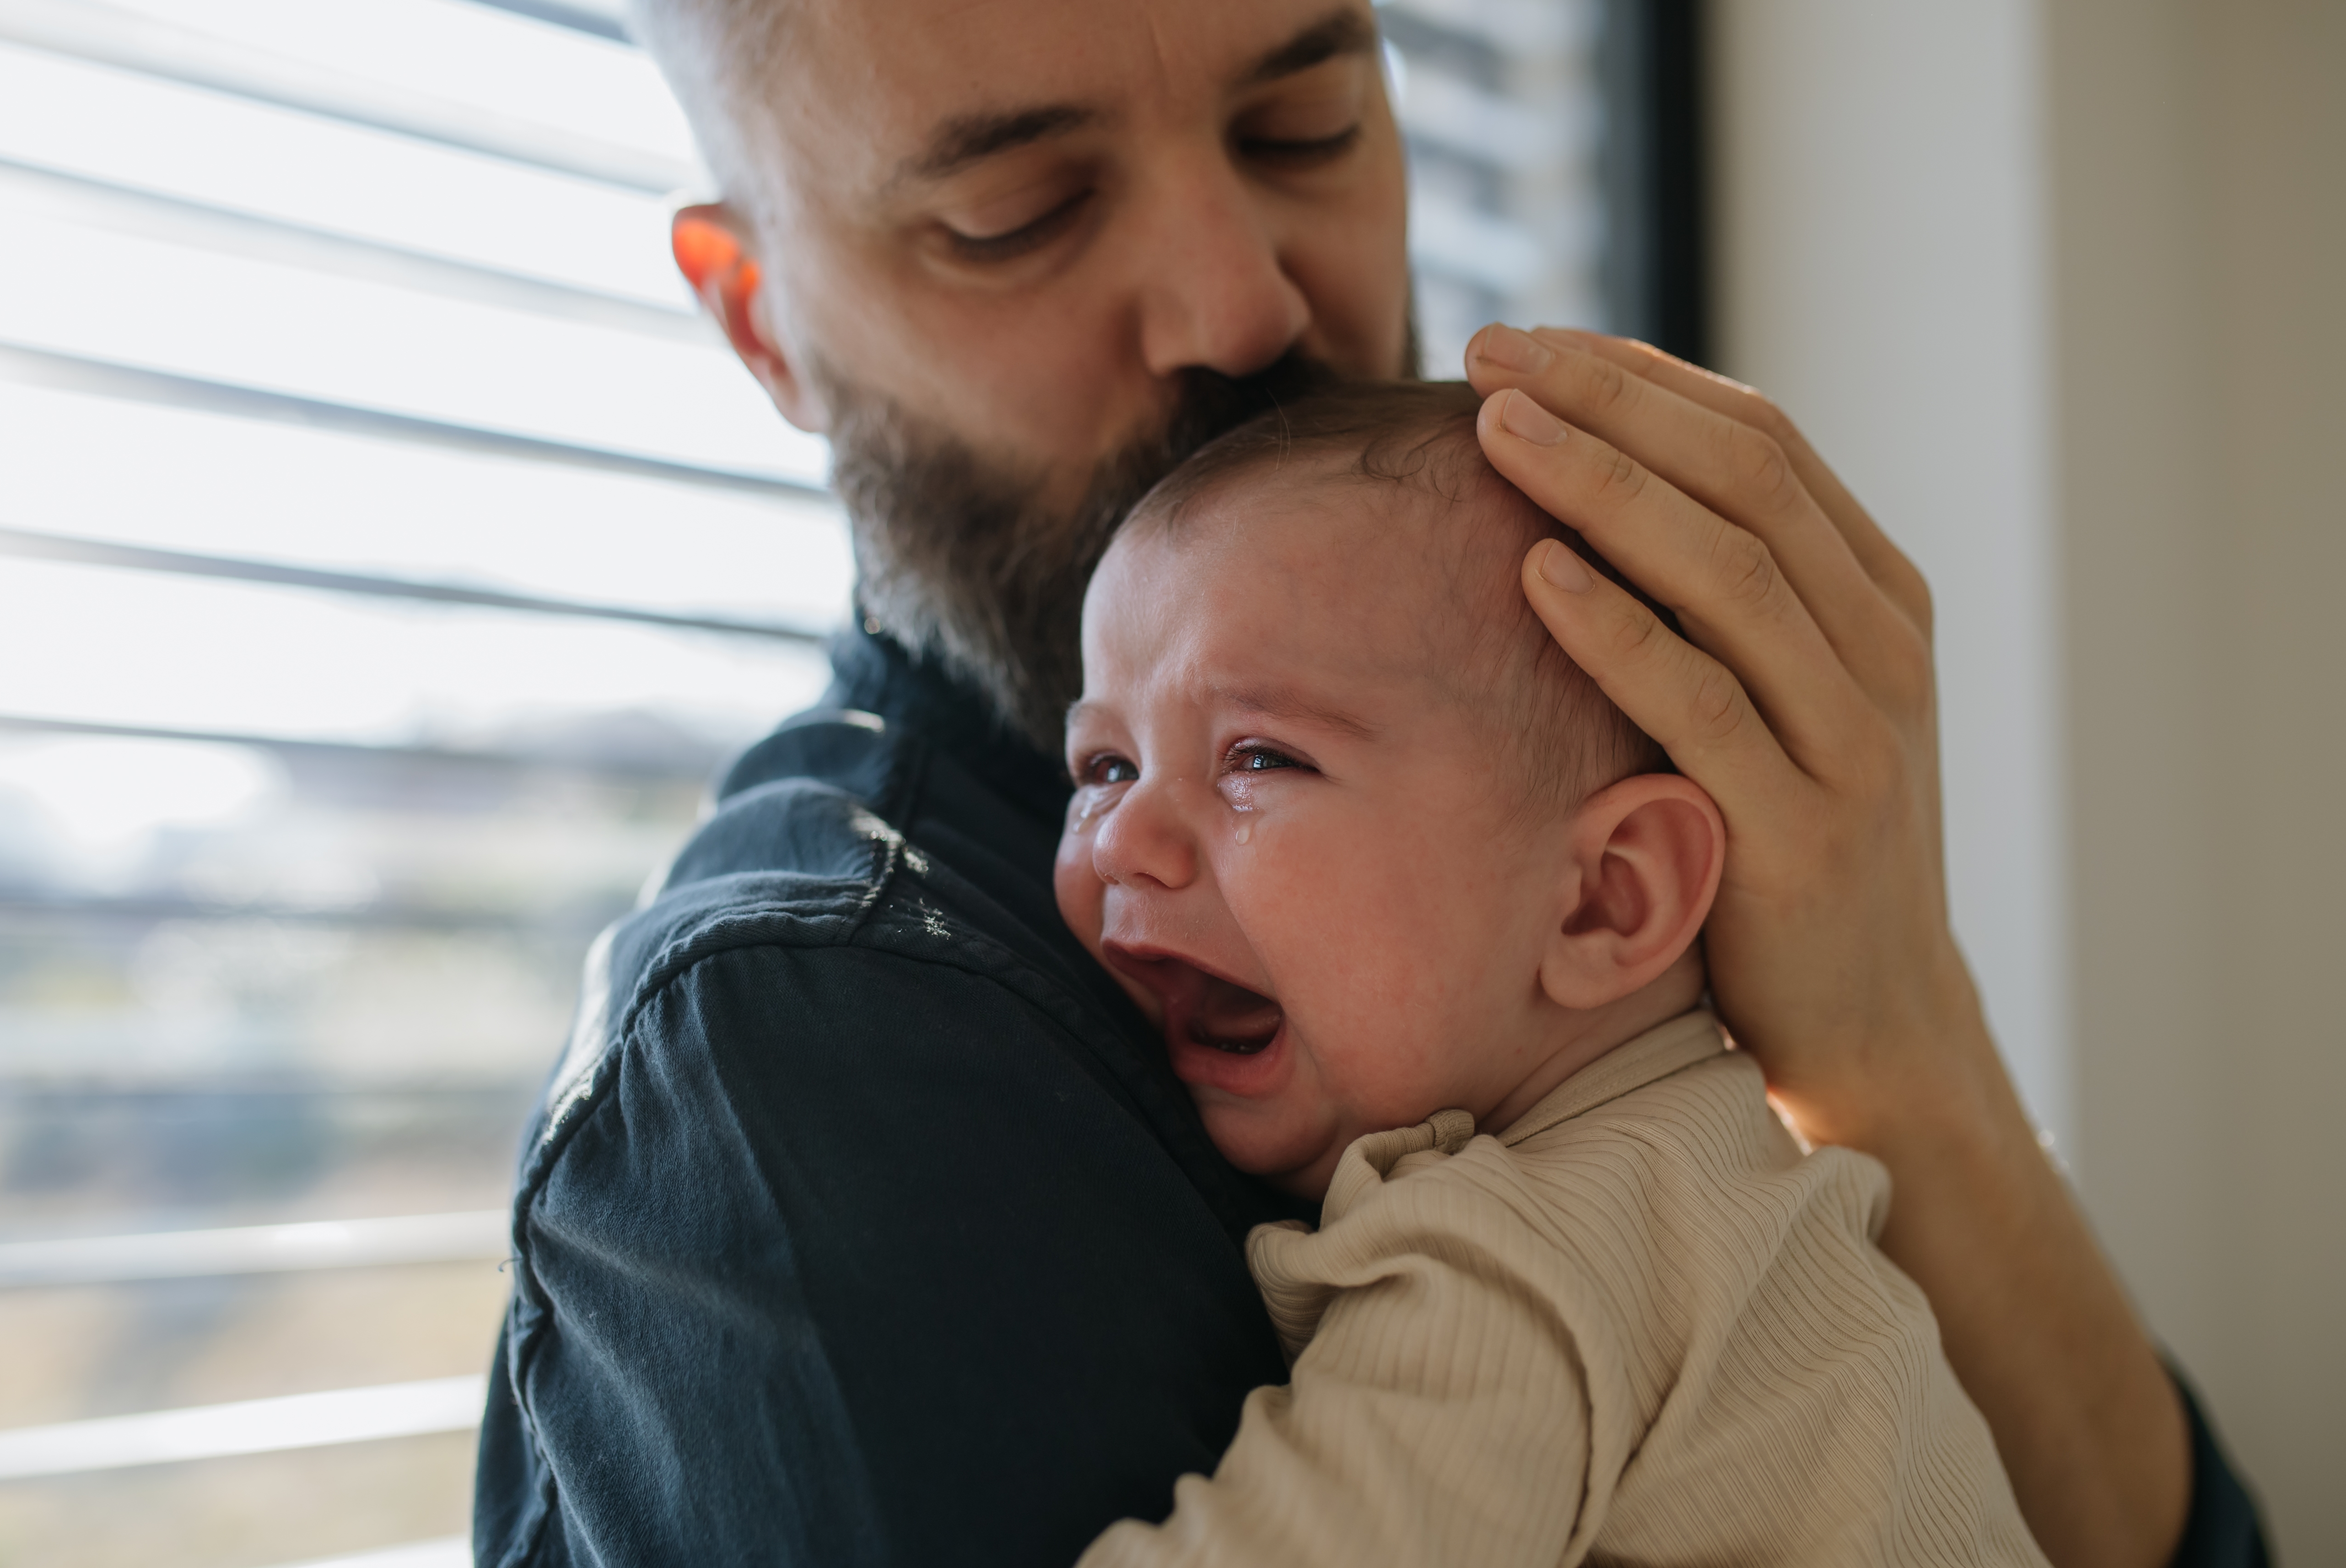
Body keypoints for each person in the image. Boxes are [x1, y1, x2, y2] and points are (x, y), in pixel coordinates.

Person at [472, 3, 2265, 1566]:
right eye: (1017, 212)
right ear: (762, 320)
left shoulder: (1571, 922)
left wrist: (1896, 1050)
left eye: (1304, 124)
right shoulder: (826, 1032)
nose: (1242, 303)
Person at [1059, 381, 2045, 1566]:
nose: (1120, 838)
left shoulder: (1520, 1254)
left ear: (1603, 899)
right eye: (1105, 762)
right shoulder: (1715, 1182)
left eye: (1259, 757)